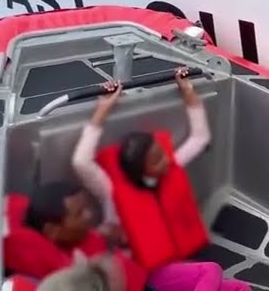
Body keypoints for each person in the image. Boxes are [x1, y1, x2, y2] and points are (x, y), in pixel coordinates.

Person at [72, 71, 251, 291]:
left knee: (240, 288)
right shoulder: (110, 190)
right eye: (157, 160)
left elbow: (200, 138)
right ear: (141, 169)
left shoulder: (168, 171)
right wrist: (102, 109)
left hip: (170, 264)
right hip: (143, 275)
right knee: (212, 271)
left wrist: (187, 91)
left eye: (162, 153)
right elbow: (81, 161)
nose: (166, 160)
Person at [2, 181, 147, 291]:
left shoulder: (76, 237)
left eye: (86, 208)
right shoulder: (67, 275)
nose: (89, 215)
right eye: (79, 214)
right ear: (52, 230)